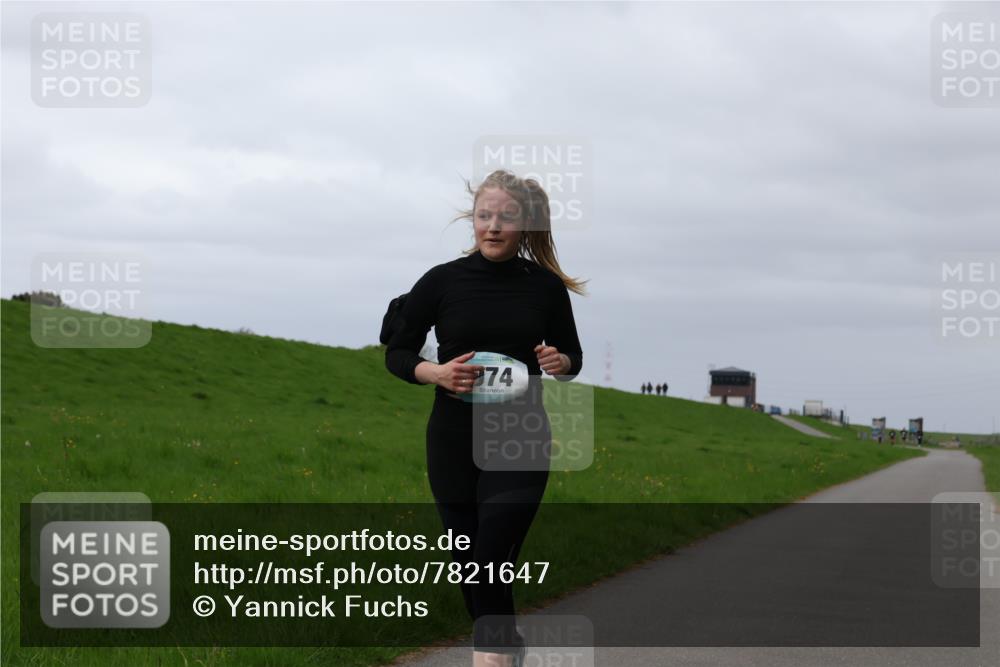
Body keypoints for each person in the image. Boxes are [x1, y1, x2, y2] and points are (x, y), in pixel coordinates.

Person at [385, 169, 585, 667]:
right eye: (483, 215)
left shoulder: (544, 287)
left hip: (520, 438)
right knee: (472, 568)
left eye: (506, 217)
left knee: (491, 556)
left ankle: (491, 657)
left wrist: (561, 363)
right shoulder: (440, 281)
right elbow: (398, 350)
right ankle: (506, 647)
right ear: (472, 220)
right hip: (452, 442)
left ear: (526, 225)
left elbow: (572, 356)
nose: (492, 226)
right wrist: (435, 372)